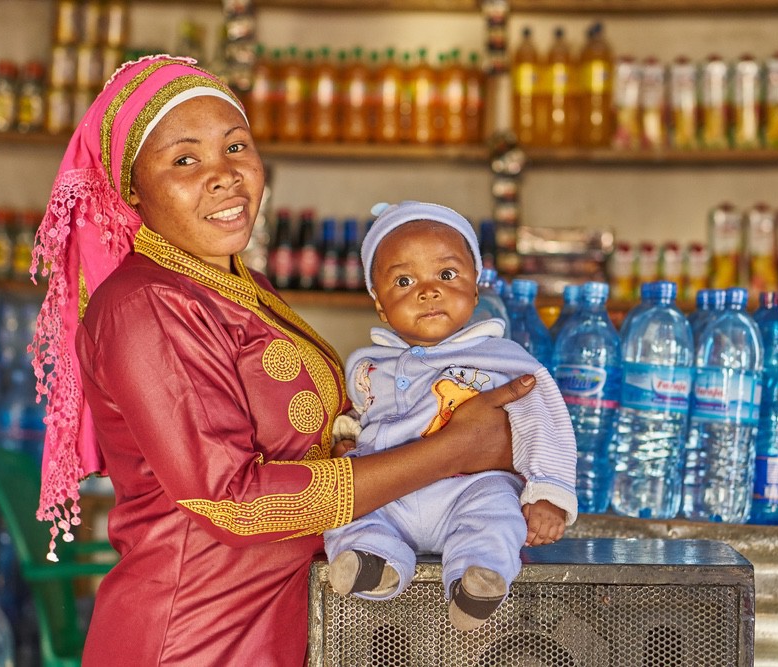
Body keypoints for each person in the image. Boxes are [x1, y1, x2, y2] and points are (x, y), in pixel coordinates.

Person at [27, 55, 538, 666]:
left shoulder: (243, 286)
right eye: (184, 160)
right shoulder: (145, 305)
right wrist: (454, 449)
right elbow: (233, 501)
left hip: (267, 626)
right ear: (131, 187)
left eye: (236, 147)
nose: (223, 176)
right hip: (193, 638)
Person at [323, 201, 578, 631]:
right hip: (392, 492)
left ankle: (477, 581)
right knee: (343, 504)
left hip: (469, 490)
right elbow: (358, 411)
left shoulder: (504, 359)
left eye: (446, 274)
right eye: (404, 281)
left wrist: (549, 493)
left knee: (498, 511)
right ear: (381, 307)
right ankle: (376, 560)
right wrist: (347, 438)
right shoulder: (368, 365)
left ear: (476, 289)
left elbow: (545, 422)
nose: (428, 291)